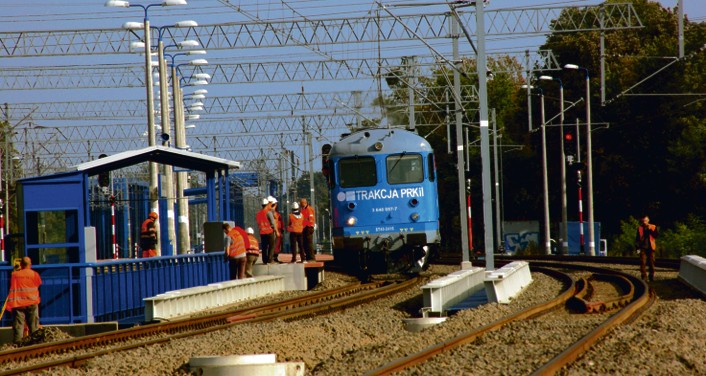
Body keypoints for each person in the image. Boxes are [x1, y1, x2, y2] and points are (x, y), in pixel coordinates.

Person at [6, 257, 42, 344]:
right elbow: (38, 283)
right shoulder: (35, 274)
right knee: (34, 326)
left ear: (21, 264)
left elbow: (12, 282)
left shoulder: (14, 275)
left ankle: (18, 345)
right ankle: (35, 343)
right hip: (32, 302)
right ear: (30, 265)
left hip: (18, 304)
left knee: (19, 326)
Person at [635, 215, 659, 282]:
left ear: (648, 220)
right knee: (642, 262)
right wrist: (637, 248)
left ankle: (651, 276)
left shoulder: (653, 227)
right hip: (642, 248)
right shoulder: (639, 228)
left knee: (651, 263)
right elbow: (637, 239)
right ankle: (644, 277)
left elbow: (656, 235)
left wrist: (650, 230)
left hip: (651, 248)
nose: (644, 222)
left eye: (645, 220)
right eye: (643, 221)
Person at [256, 197, 277, 264]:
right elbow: (273, 222)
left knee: (264, 247)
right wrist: (276, 231)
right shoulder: (268, 213)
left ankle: (264, 260)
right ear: (267, 204)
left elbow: (258, 223)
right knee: (271, 246)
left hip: (262, 232)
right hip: (269, 231)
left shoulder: (258, 214)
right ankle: (270, 260)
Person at [300, 198, 316, 262]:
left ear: (305, 203)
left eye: (301, 203)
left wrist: (310, 226)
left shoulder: (309, 209)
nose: (300, 204)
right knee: (305, 243)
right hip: (304, 228)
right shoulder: (303, 209)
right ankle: (308, 257)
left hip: (308, 228)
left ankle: (311, 258)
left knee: (309, 243)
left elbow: (311, 219)